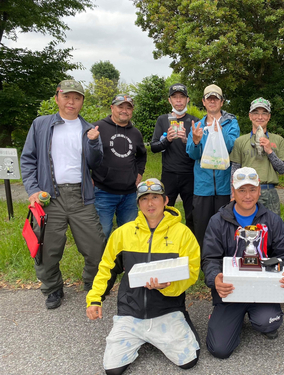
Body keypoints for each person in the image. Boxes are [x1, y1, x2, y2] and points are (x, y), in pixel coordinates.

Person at [86, 178, 201, 374]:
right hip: (131, 311)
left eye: (155, 197)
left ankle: (181, 318)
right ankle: (143, 336)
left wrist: (168, 286)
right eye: (144, 199)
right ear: (138, 203)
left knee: (188, 361)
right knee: (112, 370)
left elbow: (191, 272)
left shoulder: (183, 234)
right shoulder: (122, 233)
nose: (150, 203)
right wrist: (95, 299)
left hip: (167, 309)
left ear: (165, 200)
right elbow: (106, 268)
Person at [21, 79, 106, 309]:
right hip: (49, 197)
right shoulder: (41, 125)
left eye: (77, 98)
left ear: (82, 102)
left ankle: (91, 284)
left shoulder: (89, 129)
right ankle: (53, 288)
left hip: (81, 197)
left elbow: (95, 163)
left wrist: (94, 143)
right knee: (47, 249)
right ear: (57, 97)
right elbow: (28, 159)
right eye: (67, 96)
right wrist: (33, 190)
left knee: (96, 247)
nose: (71, 101)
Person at [202, 167, 284, 359]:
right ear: (233, 191)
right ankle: (227, 317)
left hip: (262, 290)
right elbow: (210, 259)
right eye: (242, 190)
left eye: (252, 190)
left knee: (268, 322)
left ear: (259, 190)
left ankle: (261, 316)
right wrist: (215, 279)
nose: (247, 196)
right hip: (231, 291)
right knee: (219, 349)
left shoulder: (273, 220)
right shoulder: (217, 221)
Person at [186, 84, 240, 247]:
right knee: (202, 228)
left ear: (222, 102)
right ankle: (204, 263)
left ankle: (224, 260)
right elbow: (192, 154)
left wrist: (219, 130)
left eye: (216, 98)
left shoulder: (231, 123)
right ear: (203, 102)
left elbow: (231, 146)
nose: (212, 102)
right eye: (209, 99)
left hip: (224, 187)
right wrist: (195, 141)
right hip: (203, 187)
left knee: (225, 227)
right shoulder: (197, 126)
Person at [92, 94, 147, 240]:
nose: (124, 110)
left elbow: (142, 155)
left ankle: (124, 262)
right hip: (104, 192)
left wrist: (139, 172)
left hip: (129, 194)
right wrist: (87, 175)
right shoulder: (98, 128)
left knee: (129, 234)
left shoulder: (135, 133)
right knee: (103, 232)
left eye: (128, 108)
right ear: (112, 108)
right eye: (120, 106)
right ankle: (102, 262)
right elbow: (85, 154)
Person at [151, 84, 199, 232]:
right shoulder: (163, 120)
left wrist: (187, 140)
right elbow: (154, 147)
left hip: (189, 174)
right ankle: (166, 243)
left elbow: (199, 151)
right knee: (166, 212)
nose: (178, 101)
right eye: (175, 97)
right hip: (169, 174)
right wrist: (167, 140)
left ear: (187, 100)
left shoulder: (194, 121)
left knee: (192, 214)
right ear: (169, 100)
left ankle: (191, 245)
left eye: (182, 97)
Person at [230, 97, 284, 215]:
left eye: (264, 113)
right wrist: (233, 194)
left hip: (269, 192)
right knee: (247, 228)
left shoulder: (278, 140)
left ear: (269, 117)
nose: (260, 117)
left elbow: (282, 169)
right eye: (256, 113)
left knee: (272, 229)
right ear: (250, 116)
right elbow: (234, 170)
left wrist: (269, 151)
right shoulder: (240, 141)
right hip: (246, 192)